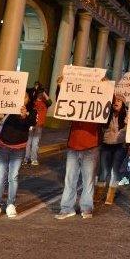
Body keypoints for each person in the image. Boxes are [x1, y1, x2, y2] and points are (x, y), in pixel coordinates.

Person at [55, 76, 103, 220]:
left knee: (88, 179)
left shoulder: (97, 102)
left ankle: (86, 208)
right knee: (70, 178)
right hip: (74, 144)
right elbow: (63, 101)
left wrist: (106, 88)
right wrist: (60, 87)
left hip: (91, 145)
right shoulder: (76, 102)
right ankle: (67, 208)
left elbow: (108, 105)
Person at [0, 88, 37, 219]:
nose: (23, 99)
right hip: (3, 147)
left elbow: (31, 123)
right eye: (21, 97)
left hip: (19, 149)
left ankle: (10, 204)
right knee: (0, 177)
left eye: (25, 97)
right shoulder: (8, 108)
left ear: (28, 99)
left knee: (13, 177)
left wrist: (24, 115)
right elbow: (0, 98)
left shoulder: (31, 112)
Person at [96, 95, 127, 205]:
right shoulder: (106, 113)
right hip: (106, 144)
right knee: (103, 170)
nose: (116, 102)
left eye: (119, 101)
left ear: (123, 103)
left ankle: (110, 195)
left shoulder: (127, 116)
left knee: (114, 171)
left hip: (120, 146)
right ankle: (98, 193)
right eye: (114, 100)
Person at [24, 88, 52, 166]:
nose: (40, 94)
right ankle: (26, 158)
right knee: (28, 142)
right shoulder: (33, 102)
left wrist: (44, 93)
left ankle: (33, 159)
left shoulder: (45, 103)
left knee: (35, 143)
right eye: (39, 93)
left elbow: (50, 102)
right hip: (31, 124)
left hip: (39, 125)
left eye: (41, 93)